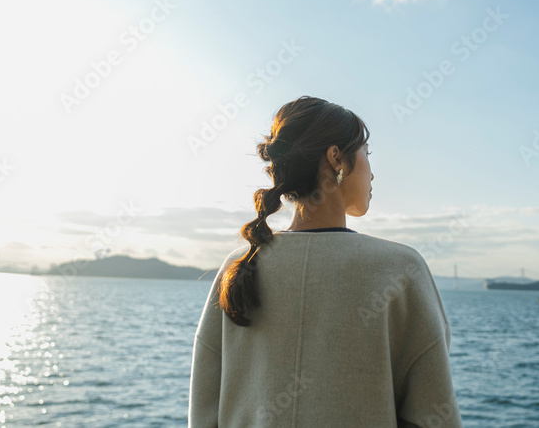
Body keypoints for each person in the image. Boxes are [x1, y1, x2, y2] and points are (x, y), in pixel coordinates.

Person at [188, 95, 464, 427]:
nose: (373, 174)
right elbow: (432, 416)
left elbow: (205, 414)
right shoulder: (401, 268)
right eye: (367, 154)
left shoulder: (240, 265)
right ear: (336, 159)